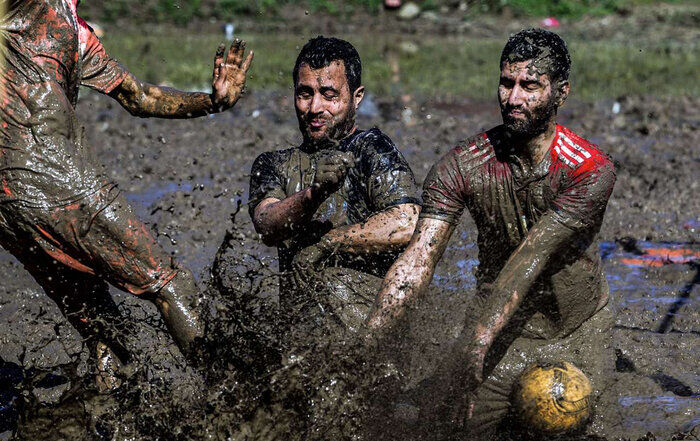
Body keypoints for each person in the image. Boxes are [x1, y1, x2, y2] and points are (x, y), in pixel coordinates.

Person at [368, 28, 616, 438]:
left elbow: (534, 251)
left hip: (578, 329)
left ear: (561, 92)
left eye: (529, 85)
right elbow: (418, 259)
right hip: (506, 333)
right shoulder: (461, 166)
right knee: (442, 425)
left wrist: (480, 334)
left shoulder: (589, 168)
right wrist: (372, 339)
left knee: (578, 425)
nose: (513, 98)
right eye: (506, 83)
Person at [0, 0, 253, 364]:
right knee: (172, 284)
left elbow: (140, 97)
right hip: (48, 174)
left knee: (106, 332)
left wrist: (212, 101)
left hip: (10, 211)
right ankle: (230, 403)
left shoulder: (76, 32)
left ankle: (104, 416)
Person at [249, 36, 420, 339]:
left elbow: (408, 222)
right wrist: (313, 194)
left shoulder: (371, 149)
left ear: (357, 97)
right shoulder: (274, 163)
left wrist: (329, 243)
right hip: (299, 345)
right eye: (305, 94)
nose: (315, 107)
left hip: (368, 337)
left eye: (329, 95)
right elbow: (267, 226)